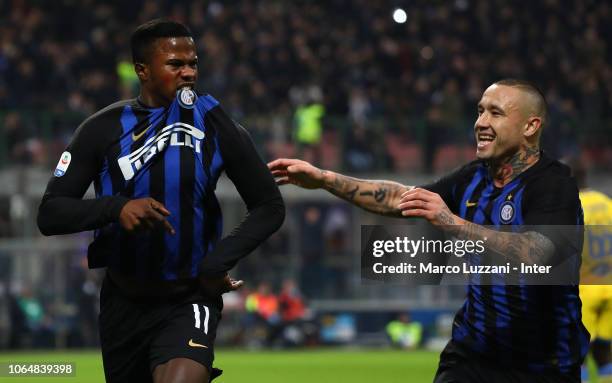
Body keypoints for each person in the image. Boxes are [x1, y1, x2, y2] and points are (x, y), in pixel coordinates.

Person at [269, 79, 588, 382]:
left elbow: (541, 255)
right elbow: (400, 198)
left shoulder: (553, 185)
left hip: (542, 364)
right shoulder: (473, 179)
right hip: (472, 355)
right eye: (480, 111)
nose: (481, 122)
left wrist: (451, 221)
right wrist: (325, 179)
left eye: (496, 112)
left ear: (531, 126)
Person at [37, 19, 285, 383]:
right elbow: (50, 213)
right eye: (175, 64)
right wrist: (116, 208)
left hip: (188, 298)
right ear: (143, 71)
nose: (188, 73)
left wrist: (216, 262)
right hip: (124, 301)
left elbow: (269, 205)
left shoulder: (218, 127)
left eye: (193, 63)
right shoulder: (101, 129)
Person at [567, 158, 612, 383]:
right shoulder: (606, 202)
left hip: (586, 290)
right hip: (610, 287)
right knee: (604, 354)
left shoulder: (572, 207)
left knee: (577, 356)